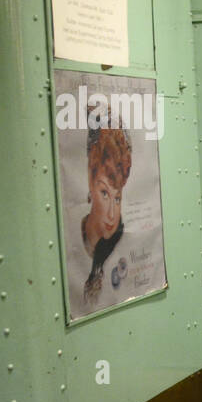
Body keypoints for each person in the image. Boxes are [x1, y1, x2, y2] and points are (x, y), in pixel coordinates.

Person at [68, 122, 132, 313]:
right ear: (90, 180)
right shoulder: (71, 238)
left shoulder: (120, 242)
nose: (112, 215)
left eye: (117, 197)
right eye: (104, 193)